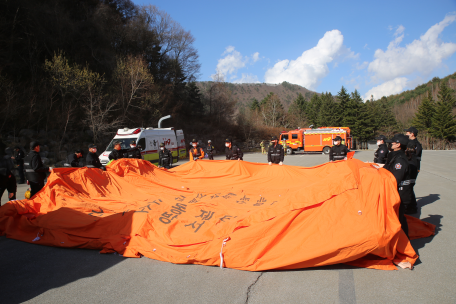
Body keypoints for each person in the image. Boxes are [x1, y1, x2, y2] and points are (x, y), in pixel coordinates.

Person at [382, 134, 411, 237]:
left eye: (392, 143)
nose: (390, 144)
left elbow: (395, 178)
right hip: (396, 192)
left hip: (401, 194)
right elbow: (386, 169)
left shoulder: (400, 160)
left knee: (399, 219)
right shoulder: (394, 156)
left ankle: (404, 241)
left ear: (398, 145)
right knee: (398, 218)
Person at [403, 141, 419, 214]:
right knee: (410, 190)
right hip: (413, 174)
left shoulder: (411, 156)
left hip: (411, 174)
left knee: (409, 190)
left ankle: (412, 207)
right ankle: (412, 206)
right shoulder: (413, 155)